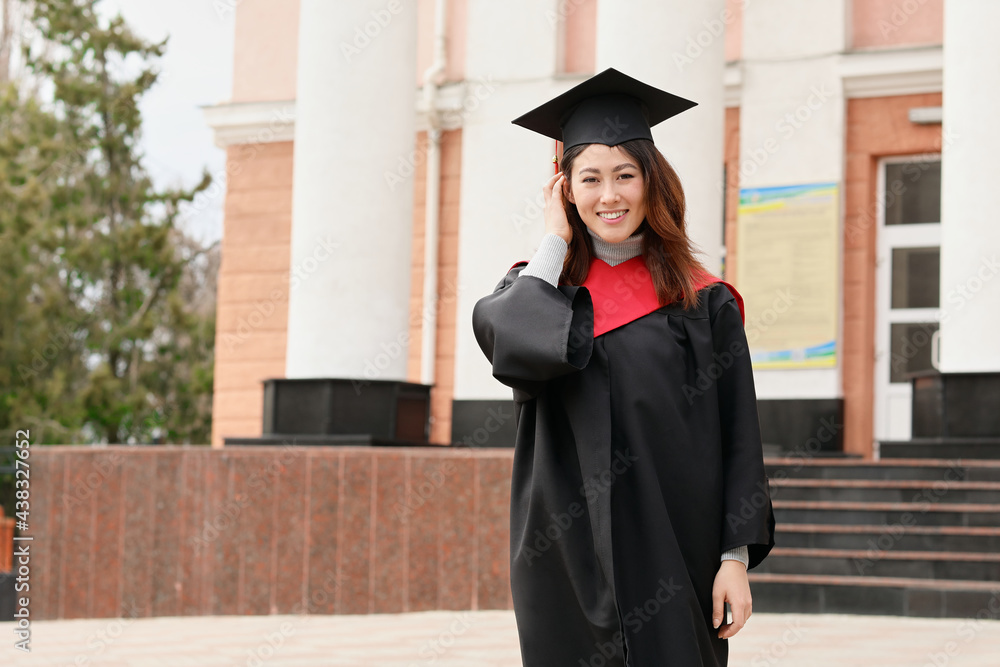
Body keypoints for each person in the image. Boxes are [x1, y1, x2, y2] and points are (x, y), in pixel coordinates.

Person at [471, 68, 775, 666]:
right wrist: (553, 244)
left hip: (675, 545)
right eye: (589, 179)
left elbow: (741, 434)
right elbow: (509, 344)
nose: (608, 195)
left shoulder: (702, 301)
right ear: (565, 191)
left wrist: (734, 560)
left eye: (624, 175)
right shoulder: (539, 289)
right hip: (563, 549)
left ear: (650, 182)